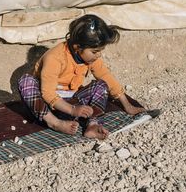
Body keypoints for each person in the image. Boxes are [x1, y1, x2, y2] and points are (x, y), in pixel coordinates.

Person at [17, 14, 145, 140]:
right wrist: (72, 110)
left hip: (73, 102)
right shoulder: (54, 58)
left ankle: (92, 125)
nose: (99, 55)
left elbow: (105, 76)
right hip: (46, 108)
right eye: (95, 51)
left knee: (101, 85)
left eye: (100, 51)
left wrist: (127, 105)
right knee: (26, 81)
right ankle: (55, 123)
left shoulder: (90, 58)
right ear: (77, 47)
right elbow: (48, 94)